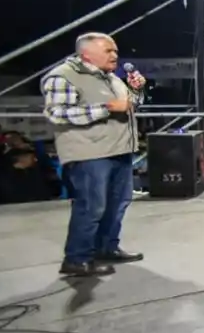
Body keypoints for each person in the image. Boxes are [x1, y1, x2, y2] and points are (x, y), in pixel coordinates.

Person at [42, 32, 145, 277]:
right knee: (91, 206)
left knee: (118, 204)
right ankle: (77, 258)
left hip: (119, 149)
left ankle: (106, 248)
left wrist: (135, 91)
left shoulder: (111, 78)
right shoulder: (62, 76)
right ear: (86, 54)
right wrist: (106, 107)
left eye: (116, 51)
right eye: (109, 51)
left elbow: (129, 105)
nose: (115, 55)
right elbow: (56, 113)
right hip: (90, 153)